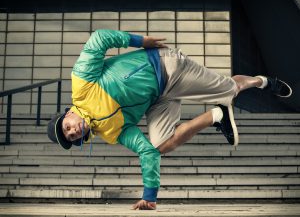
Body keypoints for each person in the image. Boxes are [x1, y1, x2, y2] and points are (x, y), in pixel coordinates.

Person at [47, 29, 292, 210]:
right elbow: (146, 152)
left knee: (230, 89)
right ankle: (216, 116)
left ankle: (263, 81)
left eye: (67, 127)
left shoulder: (81, 86)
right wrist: (150, 195)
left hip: (166, 67)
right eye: (71, 137)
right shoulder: (109, 133)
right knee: (158, 146)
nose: (72, 132)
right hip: (159, 100)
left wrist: (140, 41)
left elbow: (98, 39)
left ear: (69, 114)